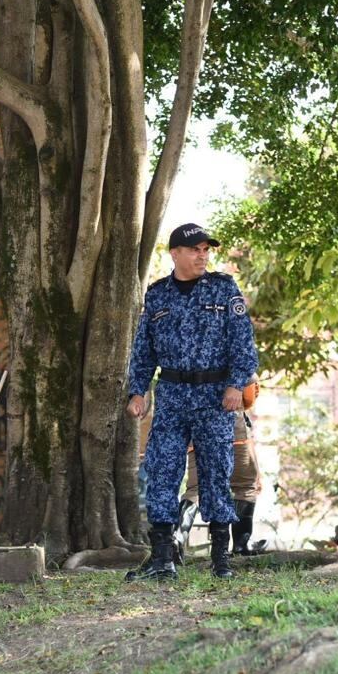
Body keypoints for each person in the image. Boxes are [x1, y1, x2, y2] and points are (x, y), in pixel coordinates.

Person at [125, 222, 259, 581]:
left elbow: (243, 346)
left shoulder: (223, 289)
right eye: (195, 250)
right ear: (176, 254)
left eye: (206, 250)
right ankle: (163, 558)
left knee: (217, 472)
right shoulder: (157, 295)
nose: (203, 256)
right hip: (170, 396)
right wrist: (137, 390)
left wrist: (235, 385)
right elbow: (143, 350)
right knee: (163, 471)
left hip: (215, 397)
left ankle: (221, 559)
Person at [178, 376, 264, 559]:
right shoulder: (234, 350)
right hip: (232, 427)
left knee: (196, 488)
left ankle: (176, 538)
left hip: (196, 424)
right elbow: (250, 384)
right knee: (245, 486)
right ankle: (241, 544)